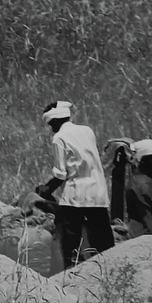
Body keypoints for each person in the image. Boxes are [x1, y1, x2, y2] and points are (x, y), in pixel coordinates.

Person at [34, 102, 113, 269]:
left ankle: (72, 272)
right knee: (103, 238)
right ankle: (109, 268)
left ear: (55, 121)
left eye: (51, 124)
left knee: (71, 242)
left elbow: (61, 173)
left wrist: (46, 189)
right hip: (98, 192)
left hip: (75, 194)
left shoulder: (59, 138)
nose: (51, 128)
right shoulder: (87, 131)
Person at [123, 139, 152, 237]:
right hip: (144, 232)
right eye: (151, 157)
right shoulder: (142, 185)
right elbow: (149, 215)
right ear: (142, 159)